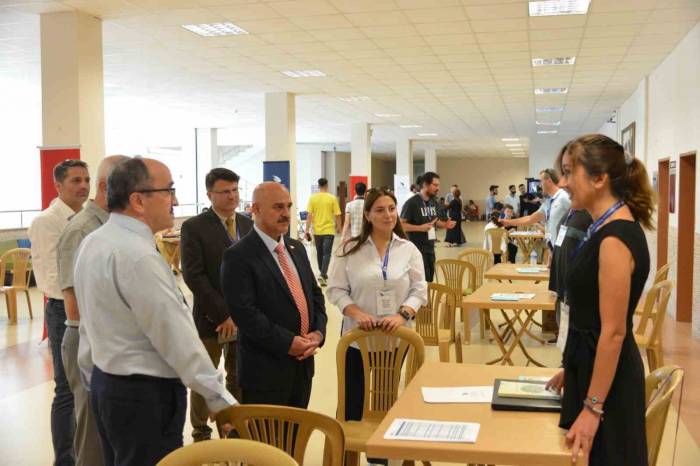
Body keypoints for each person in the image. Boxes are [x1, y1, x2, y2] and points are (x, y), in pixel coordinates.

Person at [74, 158, 236, 466]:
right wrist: (217, 398)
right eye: (169, 190)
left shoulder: (95, 243)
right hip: (145, 397)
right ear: (137, 200)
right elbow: (176, 338)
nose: (175, 200)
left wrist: (99, 384)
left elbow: (89, 328)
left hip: (108, 387)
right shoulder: (137, 257)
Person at [545, 134, 654, 465]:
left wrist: (593, 408)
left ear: (599, 178)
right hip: (591, 369)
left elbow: (613, 332)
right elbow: (591, 316)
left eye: (569, 172)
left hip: (610, 387)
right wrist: (572, 367)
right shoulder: (602, 229)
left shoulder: (615, 239)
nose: (563, 183)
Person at [327, 188, 427, 466]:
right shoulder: (349, 250)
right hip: (358, 341)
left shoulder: (408, 250)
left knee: (388, 399)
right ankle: (350, 457)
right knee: (354, 404)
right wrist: (356, 312)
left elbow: (420, 290)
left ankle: (380, 458)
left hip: (395, 342)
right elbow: (335, 289)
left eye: (392, 208)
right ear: (368, 215)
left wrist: (403, 315)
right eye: (380, 210)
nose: (388, 215)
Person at [221, 182, 328, 409]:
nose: (286, 214)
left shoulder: (296, 248)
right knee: (266, 442)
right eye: (278, 207)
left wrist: (318, 333)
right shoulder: (239, 256)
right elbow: (245, 314)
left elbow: (315, 296)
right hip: (265, 372)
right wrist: (289, 343)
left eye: (288, 206)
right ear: (256, 209)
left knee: (295, 438)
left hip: (303, 365)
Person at [56, 155, 127, 466]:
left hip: (111, 341)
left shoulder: (115, 225)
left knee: (113, 432)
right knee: (94, 439)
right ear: (107, 187)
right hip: (90, 341)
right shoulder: (82, 229)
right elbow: (73, 300)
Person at [180, 168, 253, 442]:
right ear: (209, 194)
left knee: (238, 374)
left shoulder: (247, 224)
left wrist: (240, 314)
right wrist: (223, 314)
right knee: (205, 377)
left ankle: (233, 425)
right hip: (211, 319)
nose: (232, 196)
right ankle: (201, 431)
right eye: (225, 192)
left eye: (235, 190)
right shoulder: (195, 227)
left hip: (245, 317)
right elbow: (193, 274)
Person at [28, 158, 90, 466]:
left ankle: (86, 454)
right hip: (64, 310)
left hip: (91, 308)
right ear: (58, 185)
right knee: (66, 389)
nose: (83, 186)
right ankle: (64, 460)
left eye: (86, 180)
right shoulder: (47, 221)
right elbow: (51, 276)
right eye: (76, 180)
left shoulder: (88, 218)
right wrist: (75, 310)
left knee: (89, 386)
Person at [400, 172, 456, 282]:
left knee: (429, 280)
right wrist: (420, 228)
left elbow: (434, 221)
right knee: (419, 282)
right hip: (416, 250)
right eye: (435, 185)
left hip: (430, 248)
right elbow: (401, 225)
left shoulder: (433, 202)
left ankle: (429, 299)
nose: (438, 188)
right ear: (425, 184)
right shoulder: (412, 203)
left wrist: (445, 225)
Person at [502, 169, 571, 249]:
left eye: (541, 181)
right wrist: (507, 222)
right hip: (554, 247)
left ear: (549, 181)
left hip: (566, 248)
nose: (539, 185)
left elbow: (583, 216)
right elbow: (530, 219)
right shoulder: (547, 203)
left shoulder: (563, 197)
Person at [306, 177, 341, 286]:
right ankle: (323, 274)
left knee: (319, 253)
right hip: (329, 230)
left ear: (318, 185)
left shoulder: (313, 198)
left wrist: (306, 229)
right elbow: (337, 214)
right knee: (327, 254)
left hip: (317, 230)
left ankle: (322, 274)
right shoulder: (332, 198)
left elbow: (309, 215)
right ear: (326, 185)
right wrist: (339, 226)